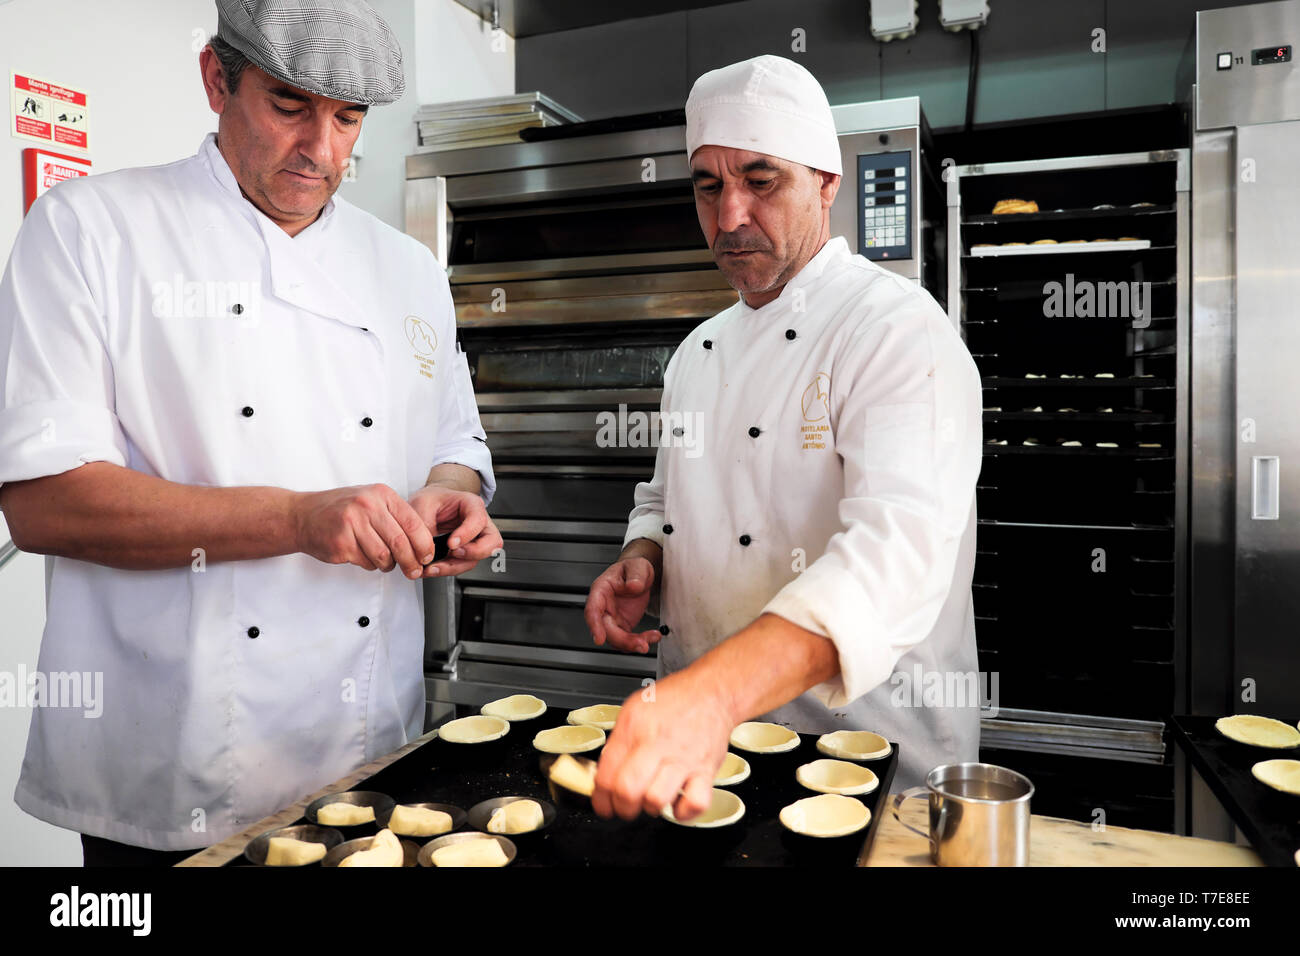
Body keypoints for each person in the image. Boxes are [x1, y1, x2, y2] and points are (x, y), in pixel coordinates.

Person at [0, 0, 500, 865]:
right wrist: (299, 519)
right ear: (214, 80)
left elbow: (457, 445)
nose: (323, 150)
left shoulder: (408, 269)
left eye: (348, 119)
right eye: (289, 105)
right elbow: (47, 506)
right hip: (172, 768)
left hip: (367, 756)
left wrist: (452, 499)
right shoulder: (91, 231)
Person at [583, 55, 983, 822]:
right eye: (709, 186)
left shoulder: (898, 332)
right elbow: (666, 494)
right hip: (711, 764)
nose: (730, 216)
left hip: (870, 770)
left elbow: (891, 562)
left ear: (827, 183)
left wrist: (710, 693)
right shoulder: (698, 351)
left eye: (762, 181)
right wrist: (644, 556)